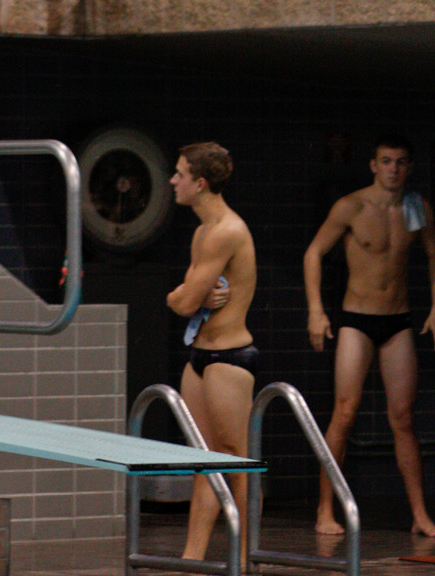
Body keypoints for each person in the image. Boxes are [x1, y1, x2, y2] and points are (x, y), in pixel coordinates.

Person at [303, 133, 435, 538]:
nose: (394, 169)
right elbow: (313, 252)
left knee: (403, 417)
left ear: (410, 167)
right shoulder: (352, 206)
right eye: (386, 161)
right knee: (345, 413)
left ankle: (419, 515)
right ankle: (324, 510)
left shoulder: (415, 207)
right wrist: (316, 312)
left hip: (398, 321)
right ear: (373, 165)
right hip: (356, 320)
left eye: (401, 162)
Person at [167, 142, 258, 567]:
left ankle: (243, 557)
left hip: (229, 359)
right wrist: (181, 296)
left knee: (236, 462)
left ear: (199, 183)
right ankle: (193, 556)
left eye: (180, 174)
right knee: (203, 461)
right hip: (200, 358)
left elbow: (185, 303)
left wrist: (181, 297)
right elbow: (184, 297)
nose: (173, 181)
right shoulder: (203, 230)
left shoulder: (225, 230)